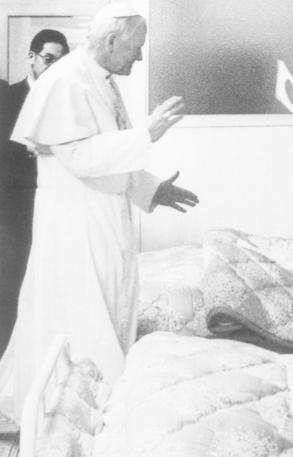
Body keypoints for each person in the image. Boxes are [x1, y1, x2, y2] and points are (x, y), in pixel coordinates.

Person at [0, 4, 199, 423]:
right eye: (136, 48)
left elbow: (106, 152)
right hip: (75, 224)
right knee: (82, 315)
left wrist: (153, 189)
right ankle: (81, 415)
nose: (139, 57)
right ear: (111, 41)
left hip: (99, 216)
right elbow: (79, 156)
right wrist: (147, 134)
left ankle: (95, 406)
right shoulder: (66, 80)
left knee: (106, 306)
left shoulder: (99, 80)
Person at [0, 29, 69, 357]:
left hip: (53, 209)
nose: (53, 67)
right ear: (31, 57)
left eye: (60, 62)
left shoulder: (64, 103)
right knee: (10, 291)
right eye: (48, 59)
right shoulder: (5, 96)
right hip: (11, 212)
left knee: (49, 293)